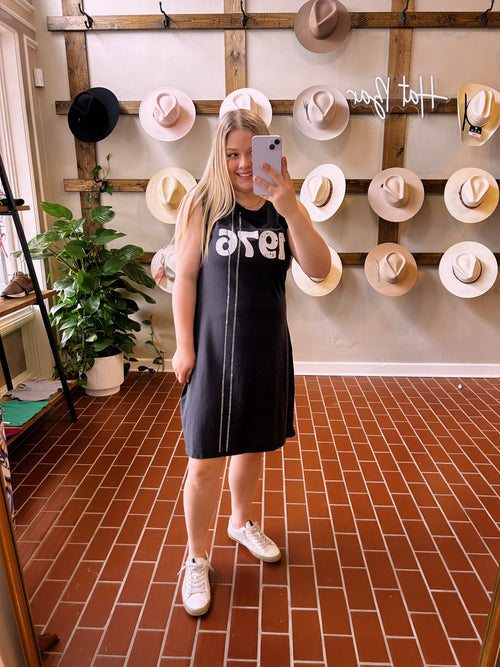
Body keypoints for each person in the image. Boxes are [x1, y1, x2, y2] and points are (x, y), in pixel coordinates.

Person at [172, 108, 331, 616]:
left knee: (252, 445)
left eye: (251, 152)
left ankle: (240, 523)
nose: (243, 164)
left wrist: (290, 206)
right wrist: (184, 345)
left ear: (270, 152)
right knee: (203, 460)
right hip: (214, 350)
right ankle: (196, 558)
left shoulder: (283, 207)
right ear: (219, 156)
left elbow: (319, 268)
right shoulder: (204, 203)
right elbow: (186, 277)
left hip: (265, 348)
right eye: (232, 154)